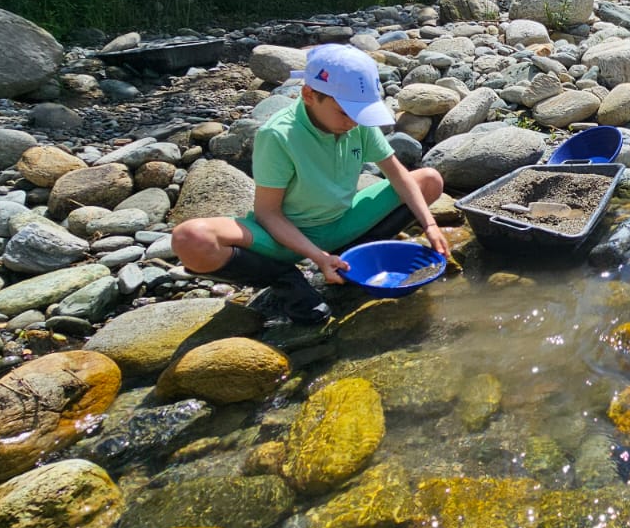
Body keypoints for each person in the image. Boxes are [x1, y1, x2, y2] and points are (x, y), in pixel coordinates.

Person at [172, 43, 449, 324]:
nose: (354, 121)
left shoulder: (358, 123)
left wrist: (430, 225)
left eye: (360, 112)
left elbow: (398, 175)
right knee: (191, 239)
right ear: (309, 95)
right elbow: (268, 213)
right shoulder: (279, 135)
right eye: (345, 112)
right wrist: (316, 257)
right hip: (286, 237)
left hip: (342, 222)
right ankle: (287, 281)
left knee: (429, 180)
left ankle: (349, 260)